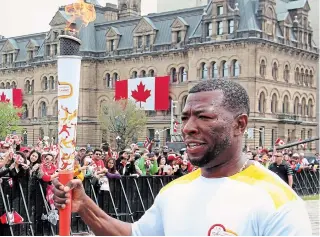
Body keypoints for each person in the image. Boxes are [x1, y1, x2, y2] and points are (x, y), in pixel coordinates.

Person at [53, 79, 311, 236]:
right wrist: (85, 207)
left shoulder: (278, 202)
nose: (187, 127)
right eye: (185, 117)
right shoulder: (174, 191)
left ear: (240, 125)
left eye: (204, 116)